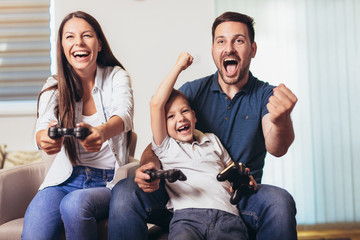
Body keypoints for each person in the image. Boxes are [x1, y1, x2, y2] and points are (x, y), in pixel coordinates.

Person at [109, 11, 297, 240]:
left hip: (239, 195)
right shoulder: (191, 92)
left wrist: (281, 119)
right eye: (221, 41)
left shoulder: (265, 95)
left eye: (238, 40)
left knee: (279, 201)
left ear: (253, 49)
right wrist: (149, 166)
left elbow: (277, 147)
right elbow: (157, 145)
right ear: (213, 50)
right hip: (182, 192)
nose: (229, 48)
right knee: (124, 191)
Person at [22, 11, 133, 240]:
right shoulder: (54, 85)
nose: (78, 42)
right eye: (69, 37)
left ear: (99, 44)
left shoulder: (116, 77)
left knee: (74, 205)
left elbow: (124, 114)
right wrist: (45, 139)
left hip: (107, 182)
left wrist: (101, 133)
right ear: (62, 46)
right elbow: (41, 128)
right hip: (64, 179)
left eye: (87, 35)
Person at [149, 52, 250, 239]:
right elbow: (156, 104)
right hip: (187, 218)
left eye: (184, 111)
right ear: (163, 125)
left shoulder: (211, 140)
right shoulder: (166, 146)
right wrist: (179, 66)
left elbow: (231, 171)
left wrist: (243, 178)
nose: (180, 118)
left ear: (194, 117)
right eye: (171, 116)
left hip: (227, 216)